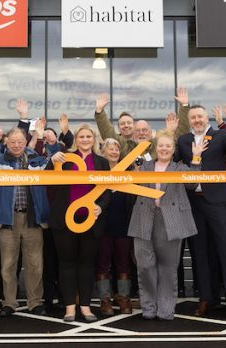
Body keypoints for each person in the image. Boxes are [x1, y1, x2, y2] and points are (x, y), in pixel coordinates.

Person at [174, 97, 226, 321]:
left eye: (200, 117)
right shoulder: (184, 140)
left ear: (207, 118)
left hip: (217, 202)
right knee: (200, 253)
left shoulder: (221, 135)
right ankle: (207, 298)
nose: (197, 120)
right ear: (189, 120)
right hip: (193, 202)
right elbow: (174, 163)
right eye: (193, 117)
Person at [130, 132, 201, 320]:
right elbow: (131, 180)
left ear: (173, 149)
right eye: (161, 145)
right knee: (145, 266)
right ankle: (149, 307)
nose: (164, 149)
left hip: (170, 220)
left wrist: (196, 158)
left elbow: (193, 184)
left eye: (168, 146)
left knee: (168, 268)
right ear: (155, 147)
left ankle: (166, 309)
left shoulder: (179, 168)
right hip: (143, 218)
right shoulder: (144, 166)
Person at [0, 128, 58, 317]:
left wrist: (52, 143)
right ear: (7, 143)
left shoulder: (37, 160)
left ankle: (34, 302)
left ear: (25, 142)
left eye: (20, 142)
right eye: (12, 142)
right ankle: (9, 302)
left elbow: (55, 163)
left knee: (35, 263)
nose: (17, 145)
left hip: (33, 219)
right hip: (8, 219)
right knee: (8, 264)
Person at [46, 125, 107, 322]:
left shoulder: (102, 162)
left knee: (87, 265)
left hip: (90, 219)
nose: (85, 139)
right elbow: (47, 180)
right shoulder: (64, 158)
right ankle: (70, 308)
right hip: (64, 219)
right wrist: (51, 161)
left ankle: (86, 308)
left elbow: (108, 190)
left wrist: (101, 207)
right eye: (82, 136)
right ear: (76, 139)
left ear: (94, 139)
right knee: (66, 264)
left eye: (89, 136)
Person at [93, 138, 134, 316]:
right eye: (110, 149)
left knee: (123, 263)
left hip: (123, 224)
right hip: (103, 225)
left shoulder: (129, 171)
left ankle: (123, 297)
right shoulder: (97, 171)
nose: (114, 152)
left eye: (117, 149)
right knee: (103, 263)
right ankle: (105, 299)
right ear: (103, 152)